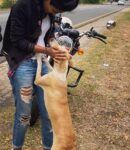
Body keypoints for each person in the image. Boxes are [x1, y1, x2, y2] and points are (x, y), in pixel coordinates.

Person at [1, 0, 79, 149]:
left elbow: (46, 37)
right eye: (56, 9)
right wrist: (47, 50)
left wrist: (56, 49)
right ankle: (16, 147)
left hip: (41, 60)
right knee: (24, 116)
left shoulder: (49, 12)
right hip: (22, 61)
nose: (56, 13)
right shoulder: (22, 6)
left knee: (49, 113)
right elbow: (16, 40)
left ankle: (48, 147)